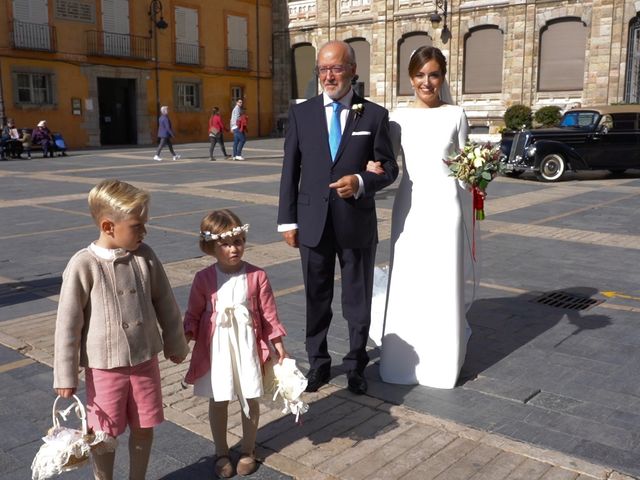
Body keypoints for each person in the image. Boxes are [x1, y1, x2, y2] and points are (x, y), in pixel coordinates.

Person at [277, 40, 398, 395]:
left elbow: (389, 168)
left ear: (352, 70)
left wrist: (362, 181)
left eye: (337, 68)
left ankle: (357, 364)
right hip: (312, 223)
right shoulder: (302, 113)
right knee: (316, 298)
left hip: (356, 224)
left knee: (357, 301)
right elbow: (290, 171)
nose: (329, 76)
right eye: (323, 69)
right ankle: (318, 363)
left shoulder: (373, 115)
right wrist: (288, 220)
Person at [53, 179, 189, 480]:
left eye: (144, 224)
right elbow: (68, 325)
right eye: (137, 225)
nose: (144, 232)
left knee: (144, 427)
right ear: (108, 226)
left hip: (145, 362)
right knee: (104, 435)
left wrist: (175, 342)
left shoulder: (145, 256)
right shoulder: (83, 264)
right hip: (105, 369)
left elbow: (165, 301)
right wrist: (65, 374)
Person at [376, 46, 476, 388]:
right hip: (411, 204)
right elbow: (386, 163)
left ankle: (441, 364)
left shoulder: (457, 114)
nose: (426, 82)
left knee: (443, 281)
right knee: (409, 280)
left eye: (433, 74)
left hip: (447, 206)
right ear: (410, 78)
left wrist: (478, 176)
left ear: (443, 76)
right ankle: (401, 363)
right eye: (420, 75)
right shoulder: (396, 117)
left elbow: (465, 165)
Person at [183, 209, 288, 478]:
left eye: (238, 241)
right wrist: (182, 339)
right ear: (210, 247)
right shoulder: (204, 278)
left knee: (249, 398)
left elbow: (268, 314)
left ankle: (249, 449)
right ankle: (221, 451)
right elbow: (193, 315)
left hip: (247, 348)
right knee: (219, 399)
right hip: (217, 349)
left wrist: (278, 346)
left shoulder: (257, 275)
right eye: (226, 244)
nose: (234, 249)